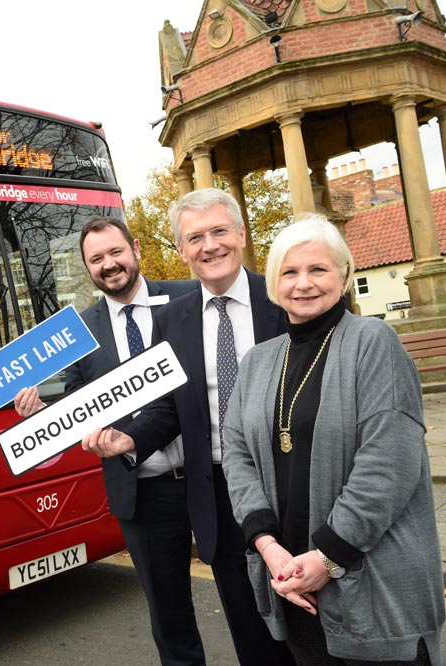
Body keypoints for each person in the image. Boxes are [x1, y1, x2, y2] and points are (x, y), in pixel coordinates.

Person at [81, 189, 295, 666]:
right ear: (181, 249)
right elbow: (169, 408)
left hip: (292, 483)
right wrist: (129, 439)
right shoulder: (174, 319)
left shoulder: (284, 296)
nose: (209, 245)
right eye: (194, 237)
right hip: (218, 494)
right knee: (250, 628)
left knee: (310, 624)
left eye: (219, 231)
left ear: (241, 234)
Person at [221, 215, 444, 665]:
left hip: (369, 583)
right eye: (289, 271)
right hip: (292, 580)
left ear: (343, 274)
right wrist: (267, 545)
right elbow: (236, 451)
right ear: (273, 282)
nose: (303, 283)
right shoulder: (258, 362)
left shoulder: (374, 341)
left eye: (318, 269)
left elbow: (390, 463)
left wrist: (327, 556)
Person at [14, 216, 200, 665]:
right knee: (170, 620)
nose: (109, 264)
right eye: (95, 259)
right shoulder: (79, 331)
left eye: (115, 252)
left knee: (248, 598)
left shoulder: (188, 297)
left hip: (211, 476)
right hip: (143, 494)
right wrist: (42, 419)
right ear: (87, 268)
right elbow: (77, 410)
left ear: (135, 248)